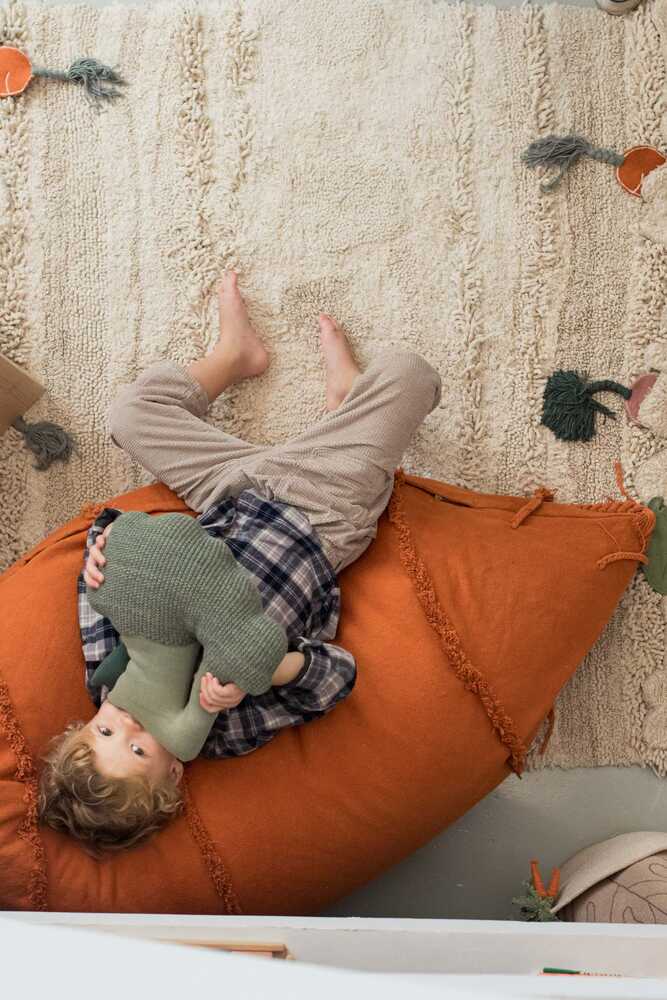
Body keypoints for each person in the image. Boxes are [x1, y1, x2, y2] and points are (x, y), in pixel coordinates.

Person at [36, 270, 442, 857]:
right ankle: (348, 405)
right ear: (175, 774)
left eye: (105, 730)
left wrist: (101, 555)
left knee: (130, 413)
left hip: (227, 494)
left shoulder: (106, 669)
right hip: (320, 514)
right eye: (142, 749)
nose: (130, 723)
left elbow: (105, 573)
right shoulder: (227, 726)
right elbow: (335, 677)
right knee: (409, 374)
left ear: (85, 724)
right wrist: (265, 669)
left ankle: (233, 357)